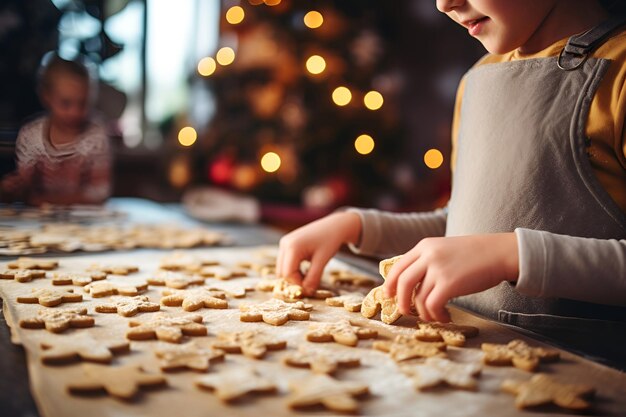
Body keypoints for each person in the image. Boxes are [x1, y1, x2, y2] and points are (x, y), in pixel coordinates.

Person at [276, 0, 626, 366]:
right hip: (474, 369)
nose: (445, 4)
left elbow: (494, 247)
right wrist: (358, 225)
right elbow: (467, 229)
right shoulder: (478, 79)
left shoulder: (619, 75)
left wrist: (514, 256)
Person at [1, 53, 111, 205]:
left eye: (83, 103)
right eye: (66, 103)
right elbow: (24, 189)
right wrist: (9, 190)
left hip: (85, 223)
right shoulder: (31, 136)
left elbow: (99, 192)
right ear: (46, 97)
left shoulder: (95, 135)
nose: (75, 112)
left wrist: (48, 201)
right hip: (38, 223)